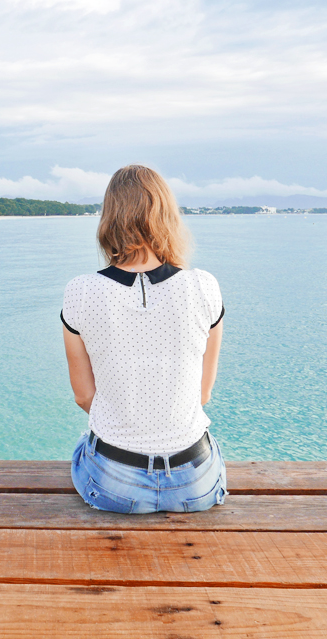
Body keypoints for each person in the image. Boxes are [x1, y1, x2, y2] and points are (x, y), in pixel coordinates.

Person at [61, 165, 227, 514]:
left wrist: (128, 421)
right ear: (167, 216)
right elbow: (203, 394)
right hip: (194, 484)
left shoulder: (80, 291)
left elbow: (83, 396)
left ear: (109, 219)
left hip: (115, 484)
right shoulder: (204, 286)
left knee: (83, 444)